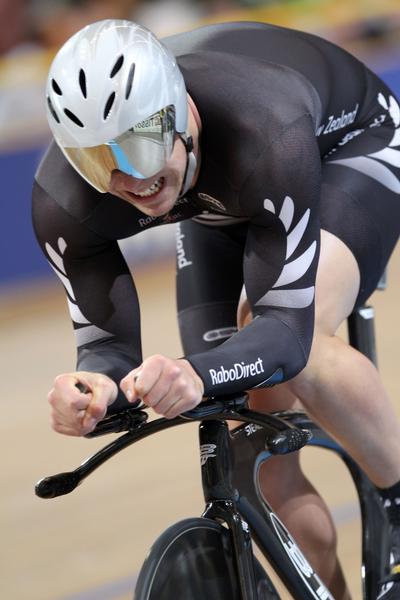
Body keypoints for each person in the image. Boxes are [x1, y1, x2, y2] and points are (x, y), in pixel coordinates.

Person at [32, 19, 400, 599]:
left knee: (287, 351)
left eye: (140, 142)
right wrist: (97, 388)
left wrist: (196, 371)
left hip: (343, 146)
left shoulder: (265, 127)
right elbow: (106, 347)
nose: (128, 176)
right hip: (216, 195)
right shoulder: (67, 198)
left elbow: (286, 333)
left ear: (184, 114)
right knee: (248, 442)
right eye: (99, 160)